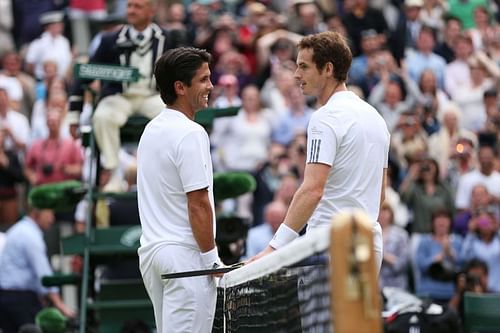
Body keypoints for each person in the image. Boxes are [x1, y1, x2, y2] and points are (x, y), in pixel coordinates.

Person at [252, 31, 390, 271]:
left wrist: (274, 247)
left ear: (327, 69)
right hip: (369, 245)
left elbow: (312, 189)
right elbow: (380, 195)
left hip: (331, 246)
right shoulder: (377, 118)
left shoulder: (324, 118)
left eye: (304, 67)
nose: (297, 75)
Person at [137, 47, 221, 333]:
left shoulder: (151, 130)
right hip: (186, 260)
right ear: (180, 87)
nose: (211, 86)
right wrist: (212, 261)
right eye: (203, 80)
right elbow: (198, 203)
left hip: (153, 258)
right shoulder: (191, 133)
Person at [69, 0, 179, 188]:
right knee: (103, 116)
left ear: (151, 11)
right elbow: (85, 74)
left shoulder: (168, 39)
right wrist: (74, 115)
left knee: (174, 118)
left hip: (153, 96)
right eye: (129, 6)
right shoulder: (109, 40)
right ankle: (113, 172)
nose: (131, 10)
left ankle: (167, 173)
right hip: (120, 98)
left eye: (137, 6)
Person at [0, 206, 75, 333]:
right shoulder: (30, 236)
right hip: (21, 299)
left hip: (6, 298)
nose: (52, 218)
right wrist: (60, 305)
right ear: (36, 213)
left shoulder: (18, 230)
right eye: (49, 214)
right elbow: (44, 275)